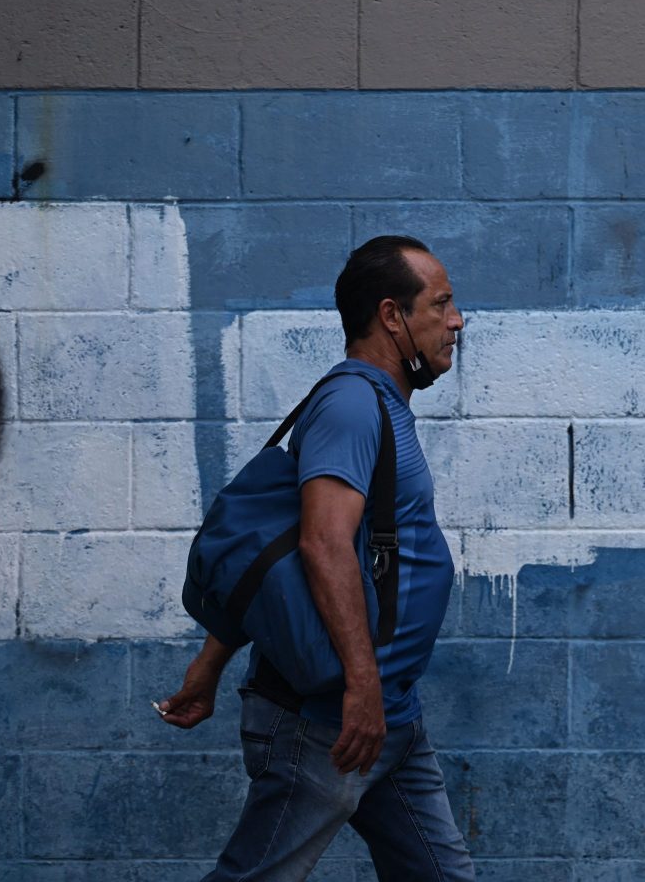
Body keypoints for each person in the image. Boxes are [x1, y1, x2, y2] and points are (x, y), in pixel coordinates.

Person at [159, 235, 474, 881]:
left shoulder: (377, 405)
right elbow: (320, 544)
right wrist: (361, 685)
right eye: (440, 304)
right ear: (392, 316)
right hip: (329, 722)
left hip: (388, 716)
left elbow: (273, 549)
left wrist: (210, 664)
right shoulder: (353, 405)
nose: (456, 320)